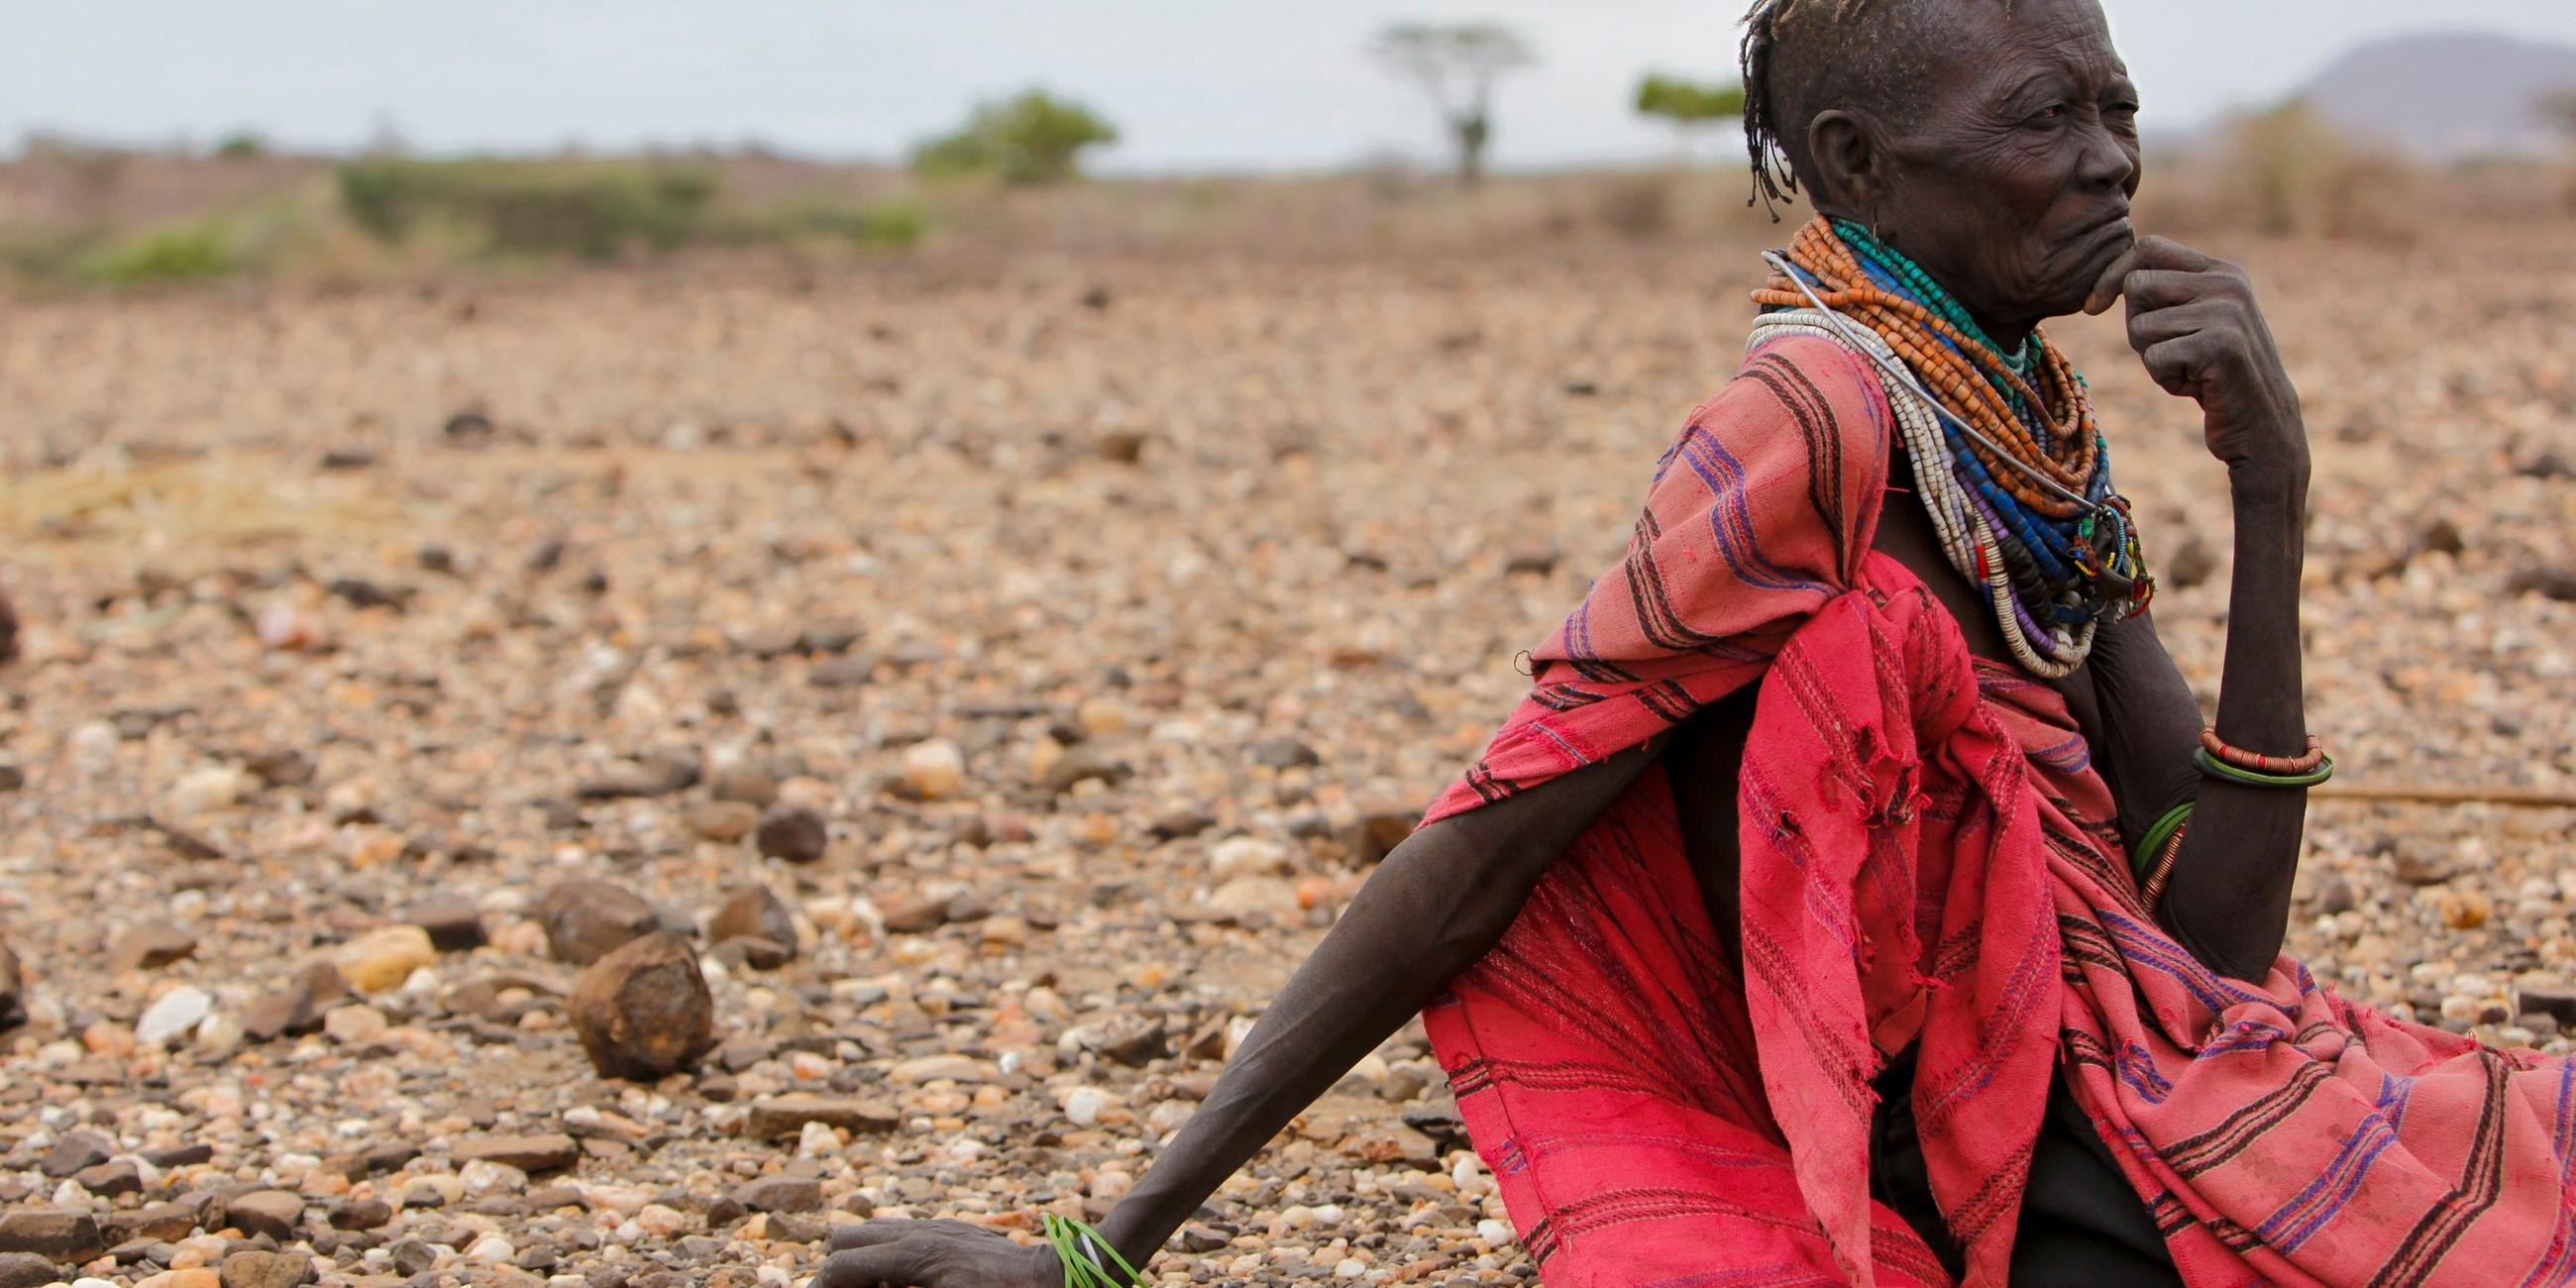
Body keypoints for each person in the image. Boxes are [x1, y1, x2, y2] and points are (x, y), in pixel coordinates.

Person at [817, 1, 2576, 1283]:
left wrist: (2275, 502)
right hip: (1984, 1138)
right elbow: (1496, 834)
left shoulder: (2025, 414)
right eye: (2048, 115)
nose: (2112, 155)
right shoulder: (1810, 419)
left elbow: (2218, 943)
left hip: (2121, 1074)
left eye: (2119, 104)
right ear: (1857, 164)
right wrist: (1114, 1239)